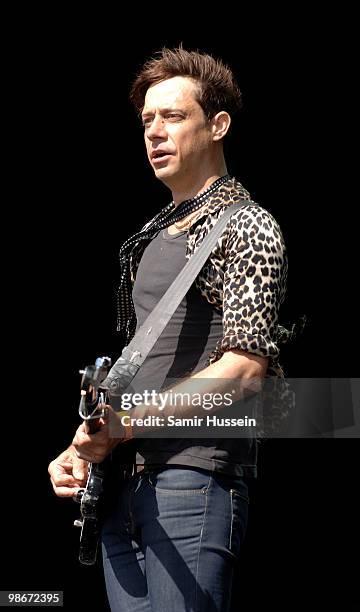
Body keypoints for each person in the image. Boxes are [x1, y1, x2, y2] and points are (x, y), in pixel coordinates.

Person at [48, 47, 289, 611]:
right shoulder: (159, 233)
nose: (154, 132)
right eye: (147, 120)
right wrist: (85, 443)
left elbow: (245, 370)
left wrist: (125, 425)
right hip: (124, 484)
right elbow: (147, 359)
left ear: (218, 125)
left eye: (173, 116)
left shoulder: (248, 225)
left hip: (190, 480)